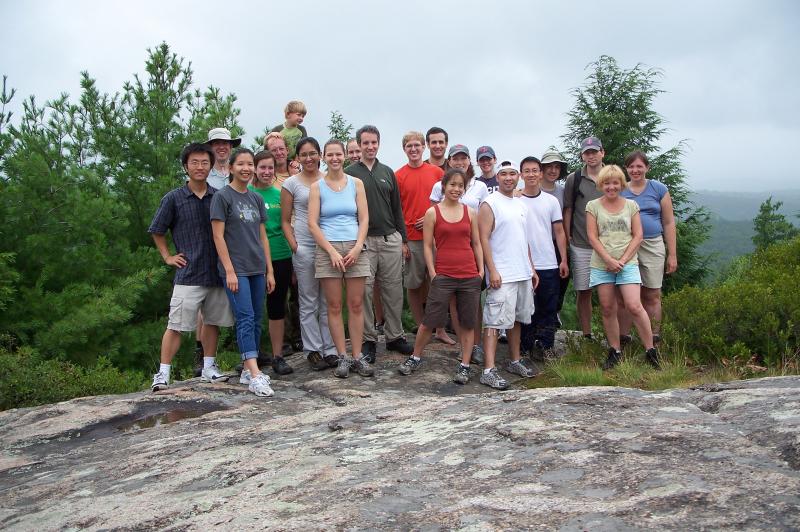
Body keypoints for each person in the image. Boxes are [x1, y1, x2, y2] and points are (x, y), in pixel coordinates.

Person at [149, 143, 234, 392]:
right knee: (176, 325)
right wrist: (167, 257)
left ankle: (209, 366)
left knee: (212, 323)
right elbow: (157, 230)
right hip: (188, 273)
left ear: (211, 166)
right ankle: (163, 373)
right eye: (194, 162)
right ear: (186, 166)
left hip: (216, 272)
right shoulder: (174, 198)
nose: (200, 167)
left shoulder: (218, 196)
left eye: (204, 162)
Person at [397, 168, 484, 384]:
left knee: (467, 322)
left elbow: (476, 243)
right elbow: (427, 246)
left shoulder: (470, 212)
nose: (456, 189)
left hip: (469, 274)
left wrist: (481, 270)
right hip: (443, 273)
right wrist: (433, 272)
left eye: (460, 185)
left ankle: (464, 365)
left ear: (464, 189)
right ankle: (415, 357)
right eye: (452, 184)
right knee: (430, 320)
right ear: (443, 186)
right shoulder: (432, 213)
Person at [210, 148, 276, 397]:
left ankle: (249, 369)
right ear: (231, 168)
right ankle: (255, 374)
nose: (246, 169)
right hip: (235, 269)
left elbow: (263, 237)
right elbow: (218, 236)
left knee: (257, 318)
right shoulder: (223, 197)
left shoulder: (256, 199)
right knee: (245, 317)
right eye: (242, 164)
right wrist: (229, 271)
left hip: (257, 267)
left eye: (250, 164)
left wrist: (269, 270)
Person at [345, 125, 413, 362]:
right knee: (363, 291)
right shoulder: (349, 173)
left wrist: (403, 239)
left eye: (374, 142)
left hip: (390, 238)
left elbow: (397, 209)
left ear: (379, 144)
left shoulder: (387, 172)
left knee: (393, 290)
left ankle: (395, 336)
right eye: (366, 143)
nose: (370, 146)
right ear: (359, 145)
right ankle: (368, 340)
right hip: (362, 242)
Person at [308, 139, 374, 379]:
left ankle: (357, 356)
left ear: (345, 156)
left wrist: (357, 248)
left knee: (356, 304)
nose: (335, 158)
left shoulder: (356, 184)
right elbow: (313, 223)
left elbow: (364, 218)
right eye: (330, 155)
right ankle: (342, 357)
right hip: (329, 248)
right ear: (324, 157)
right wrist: (331, 252)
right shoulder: (317, 187)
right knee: (334, 306)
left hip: (355, 246)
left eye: (338, 154)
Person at [585, 165, 659, 370]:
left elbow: (638, 235)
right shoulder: (593, 206)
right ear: (601, 184)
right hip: (602, 264)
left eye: (615, 183)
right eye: (607, 183)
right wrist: (608, 260)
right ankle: (615, 350)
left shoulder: (631, 206)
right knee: (608, 308)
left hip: (627, 263)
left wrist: (623, 260)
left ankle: (651, 350)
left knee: (634, 305)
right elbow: (592, 236)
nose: (611, 187)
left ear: (621, 184)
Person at [478, 160, 539, 389]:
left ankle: (514, 360)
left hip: (521, 271)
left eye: (513, 174)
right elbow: (483, 238)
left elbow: (525, 239)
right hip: (501, 272)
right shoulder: (489, 203)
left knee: (516, 320)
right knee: (494, 321)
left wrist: (531, 268)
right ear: (498, 178)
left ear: (518, 177)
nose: (508, 178)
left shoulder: (521, 205)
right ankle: (489, 369)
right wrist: (491, 269)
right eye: (503, 174)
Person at [281, 137, 339, 370]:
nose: (309, 158)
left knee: (329, 301)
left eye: (313, 153)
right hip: (304, 245)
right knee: (308, 300)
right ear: (297, 158)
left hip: (328, 247)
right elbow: (285, 220)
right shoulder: (291, 184)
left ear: (320, 156)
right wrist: (295, 246)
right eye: (304, 154)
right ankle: (312, 349)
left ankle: (331, 349)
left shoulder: (329, 180)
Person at [395, 131, 453, 344]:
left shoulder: (436, 172)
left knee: (438, 283)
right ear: (404, 149)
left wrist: (429, 217)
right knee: (414, 284)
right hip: (411, 237)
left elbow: (446, 201)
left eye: (417, 145)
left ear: (423, 147)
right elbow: (396, 209)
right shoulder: (398, 175)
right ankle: (422, 328)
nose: (413, 149)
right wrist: (402, 240)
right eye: (409, 146)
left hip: (437, 237)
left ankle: (439, 329)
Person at [618, 151, 678, 345]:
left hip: (653, 244)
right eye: (631, 167)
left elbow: (668, 222)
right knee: (626, 294)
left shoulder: (658, 188)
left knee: (652, 293)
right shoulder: (620, 189)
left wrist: (672, 254)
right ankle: (624, 337)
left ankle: (654, 337)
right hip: (627, 246)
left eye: (639, 166)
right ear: (626, 169)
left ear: (647, 168)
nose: (635, 170)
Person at [248, 150, 294, 376]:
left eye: (270, 168)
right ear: (255, 168)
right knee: (253, 309)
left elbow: (288, 224)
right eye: (262, 167)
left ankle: (278, 356)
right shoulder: (245, 194)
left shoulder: (280, 194)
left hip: (281, 256)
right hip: (252, 259)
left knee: (277, 308)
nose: (266, 172)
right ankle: (251, 356)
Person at [518, 156, 569, 359]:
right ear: (521, 175)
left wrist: (563, 259)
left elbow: (559, 231)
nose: (531, 174)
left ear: (540, 174)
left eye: (534, 170)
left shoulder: (551, 201)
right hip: (522, 264)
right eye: (527, 171)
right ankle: (525, 346)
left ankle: (546, 346)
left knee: (548, 306)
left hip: (548, 262)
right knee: (526, 308)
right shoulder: (515, 201)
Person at [563, 136, 605, 339]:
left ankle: (612, 335)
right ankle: (587, 334)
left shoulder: (611, 176)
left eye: (594, 152)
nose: (591, 156)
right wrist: (567, 234)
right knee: (584, 291)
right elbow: (569, 209)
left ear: (602, 152)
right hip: (581, 244)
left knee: (609, 293)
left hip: (610, 245)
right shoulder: (575, 178)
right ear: (582, 155)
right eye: (587, 152)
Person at [540, 149, 570, 323]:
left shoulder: (562, 191)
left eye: (556, 167)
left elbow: (566, 214)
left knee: (562, 277)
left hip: (557, 240)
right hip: (538, 242)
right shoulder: (532, 189)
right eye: (549, 166)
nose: (552, 170)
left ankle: (555, 310)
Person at [429, 144, 489, 210]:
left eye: (463, 158)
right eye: (455, 159)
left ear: (469, 160)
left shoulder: (480, 186)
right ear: (449, 162)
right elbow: (434, 214)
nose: (460, 162)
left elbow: (485, 214)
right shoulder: (439, 186)